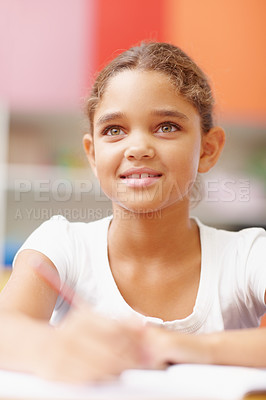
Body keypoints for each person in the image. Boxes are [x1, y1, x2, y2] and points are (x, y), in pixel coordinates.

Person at [0, 41, 265, 383]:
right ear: (92, 154)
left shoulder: (247, 255)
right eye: (114, 130)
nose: (137, 148)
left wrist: (186, 348)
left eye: (167, 126)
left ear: (208, 149)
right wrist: (52, 348)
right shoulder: (60, 244)